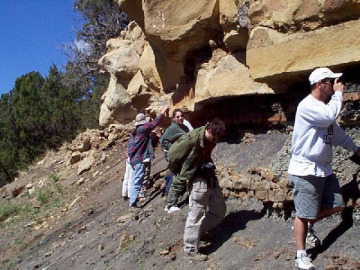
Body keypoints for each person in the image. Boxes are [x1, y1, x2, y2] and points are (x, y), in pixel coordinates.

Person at [288, 67, 360, 270]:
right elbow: (329, 117)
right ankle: (301, 255)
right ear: (321, 84)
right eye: (332, 82)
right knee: (303, 213)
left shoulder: (323, 108)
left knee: (337, 204)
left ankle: (307, 226)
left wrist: (356, 149)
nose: (337, 85)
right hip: (305, 170)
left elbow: (337, 134)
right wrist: (339, 95)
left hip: (323, 169)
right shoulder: (309, 106)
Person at [166, 118, 226, 261]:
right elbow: (172, 156)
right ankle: (191, 249)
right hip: (196, 177)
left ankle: (198, 232)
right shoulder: (190, 139)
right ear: (209, 130)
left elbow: (205, 153)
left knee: (219, 210)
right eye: (215, 137)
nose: (216, 141)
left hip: (207, 174)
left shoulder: (210, 139)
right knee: (196, 213)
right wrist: (181, 173)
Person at [127, 105, 169, 208]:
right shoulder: (142, 129)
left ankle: (132, 199)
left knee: (134, 179)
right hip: (139, 159)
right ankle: (133, 202)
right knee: (138, 180)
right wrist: (163, 111)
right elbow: (155, 123)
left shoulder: (134, 132)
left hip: (133, 159)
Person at [160, 109, 190, 196]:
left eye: (181, 116)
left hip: (181, 153)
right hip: (172, 153)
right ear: (173, 118)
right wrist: (173, 148)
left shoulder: (184, 127)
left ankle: (166, 181)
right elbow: (163, 140)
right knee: (177, 172)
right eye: (177, 117)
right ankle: (169, 193)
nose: (180, 118)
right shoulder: (172, 128)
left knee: (176, 171)